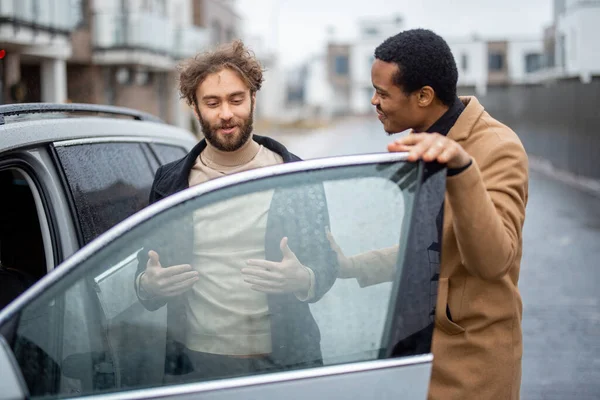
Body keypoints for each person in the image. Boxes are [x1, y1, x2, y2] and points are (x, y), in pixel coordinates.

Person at [328, 29, 529, 400]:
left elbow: (493, 261)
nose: (374, 101)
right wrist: (348, 265)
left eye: (383, 93)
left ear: (424, 96)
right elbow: (431, 251)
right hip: (413, 352)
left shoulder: (499, 148)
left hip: (471, 365)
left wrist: (462, 168)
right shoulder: (423, 139)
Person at [134, 40, 337, 381]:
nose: (226, 113)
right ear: (194, 108)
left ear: (253, 99)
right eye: (212, 103)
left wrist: (304, 278)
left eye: (236, 99)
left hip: (284, 363)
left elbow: (326, 263)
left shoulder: (294, 174)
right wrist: (147, 285)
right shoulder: (169, 181)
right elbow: (146, 269)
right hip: (195, 365)